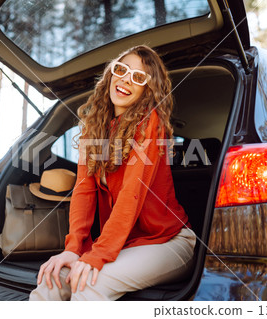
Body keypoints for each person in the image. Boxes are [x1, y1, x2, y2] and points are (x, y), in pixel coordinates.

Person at [29, 45, 196, 301]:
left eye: (138, 77)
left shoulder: (150, 123)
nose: (126, 79)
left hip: (168, 242)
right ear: (111, 74)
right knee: (50, 283)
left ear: (147, 90)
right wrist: (73, 249)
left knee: (87, 285)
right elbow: (84, 191)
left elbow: (131, 194)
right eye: (122, 69)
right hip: (125, 244)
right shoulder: (94, 129)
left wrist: (97, 254)